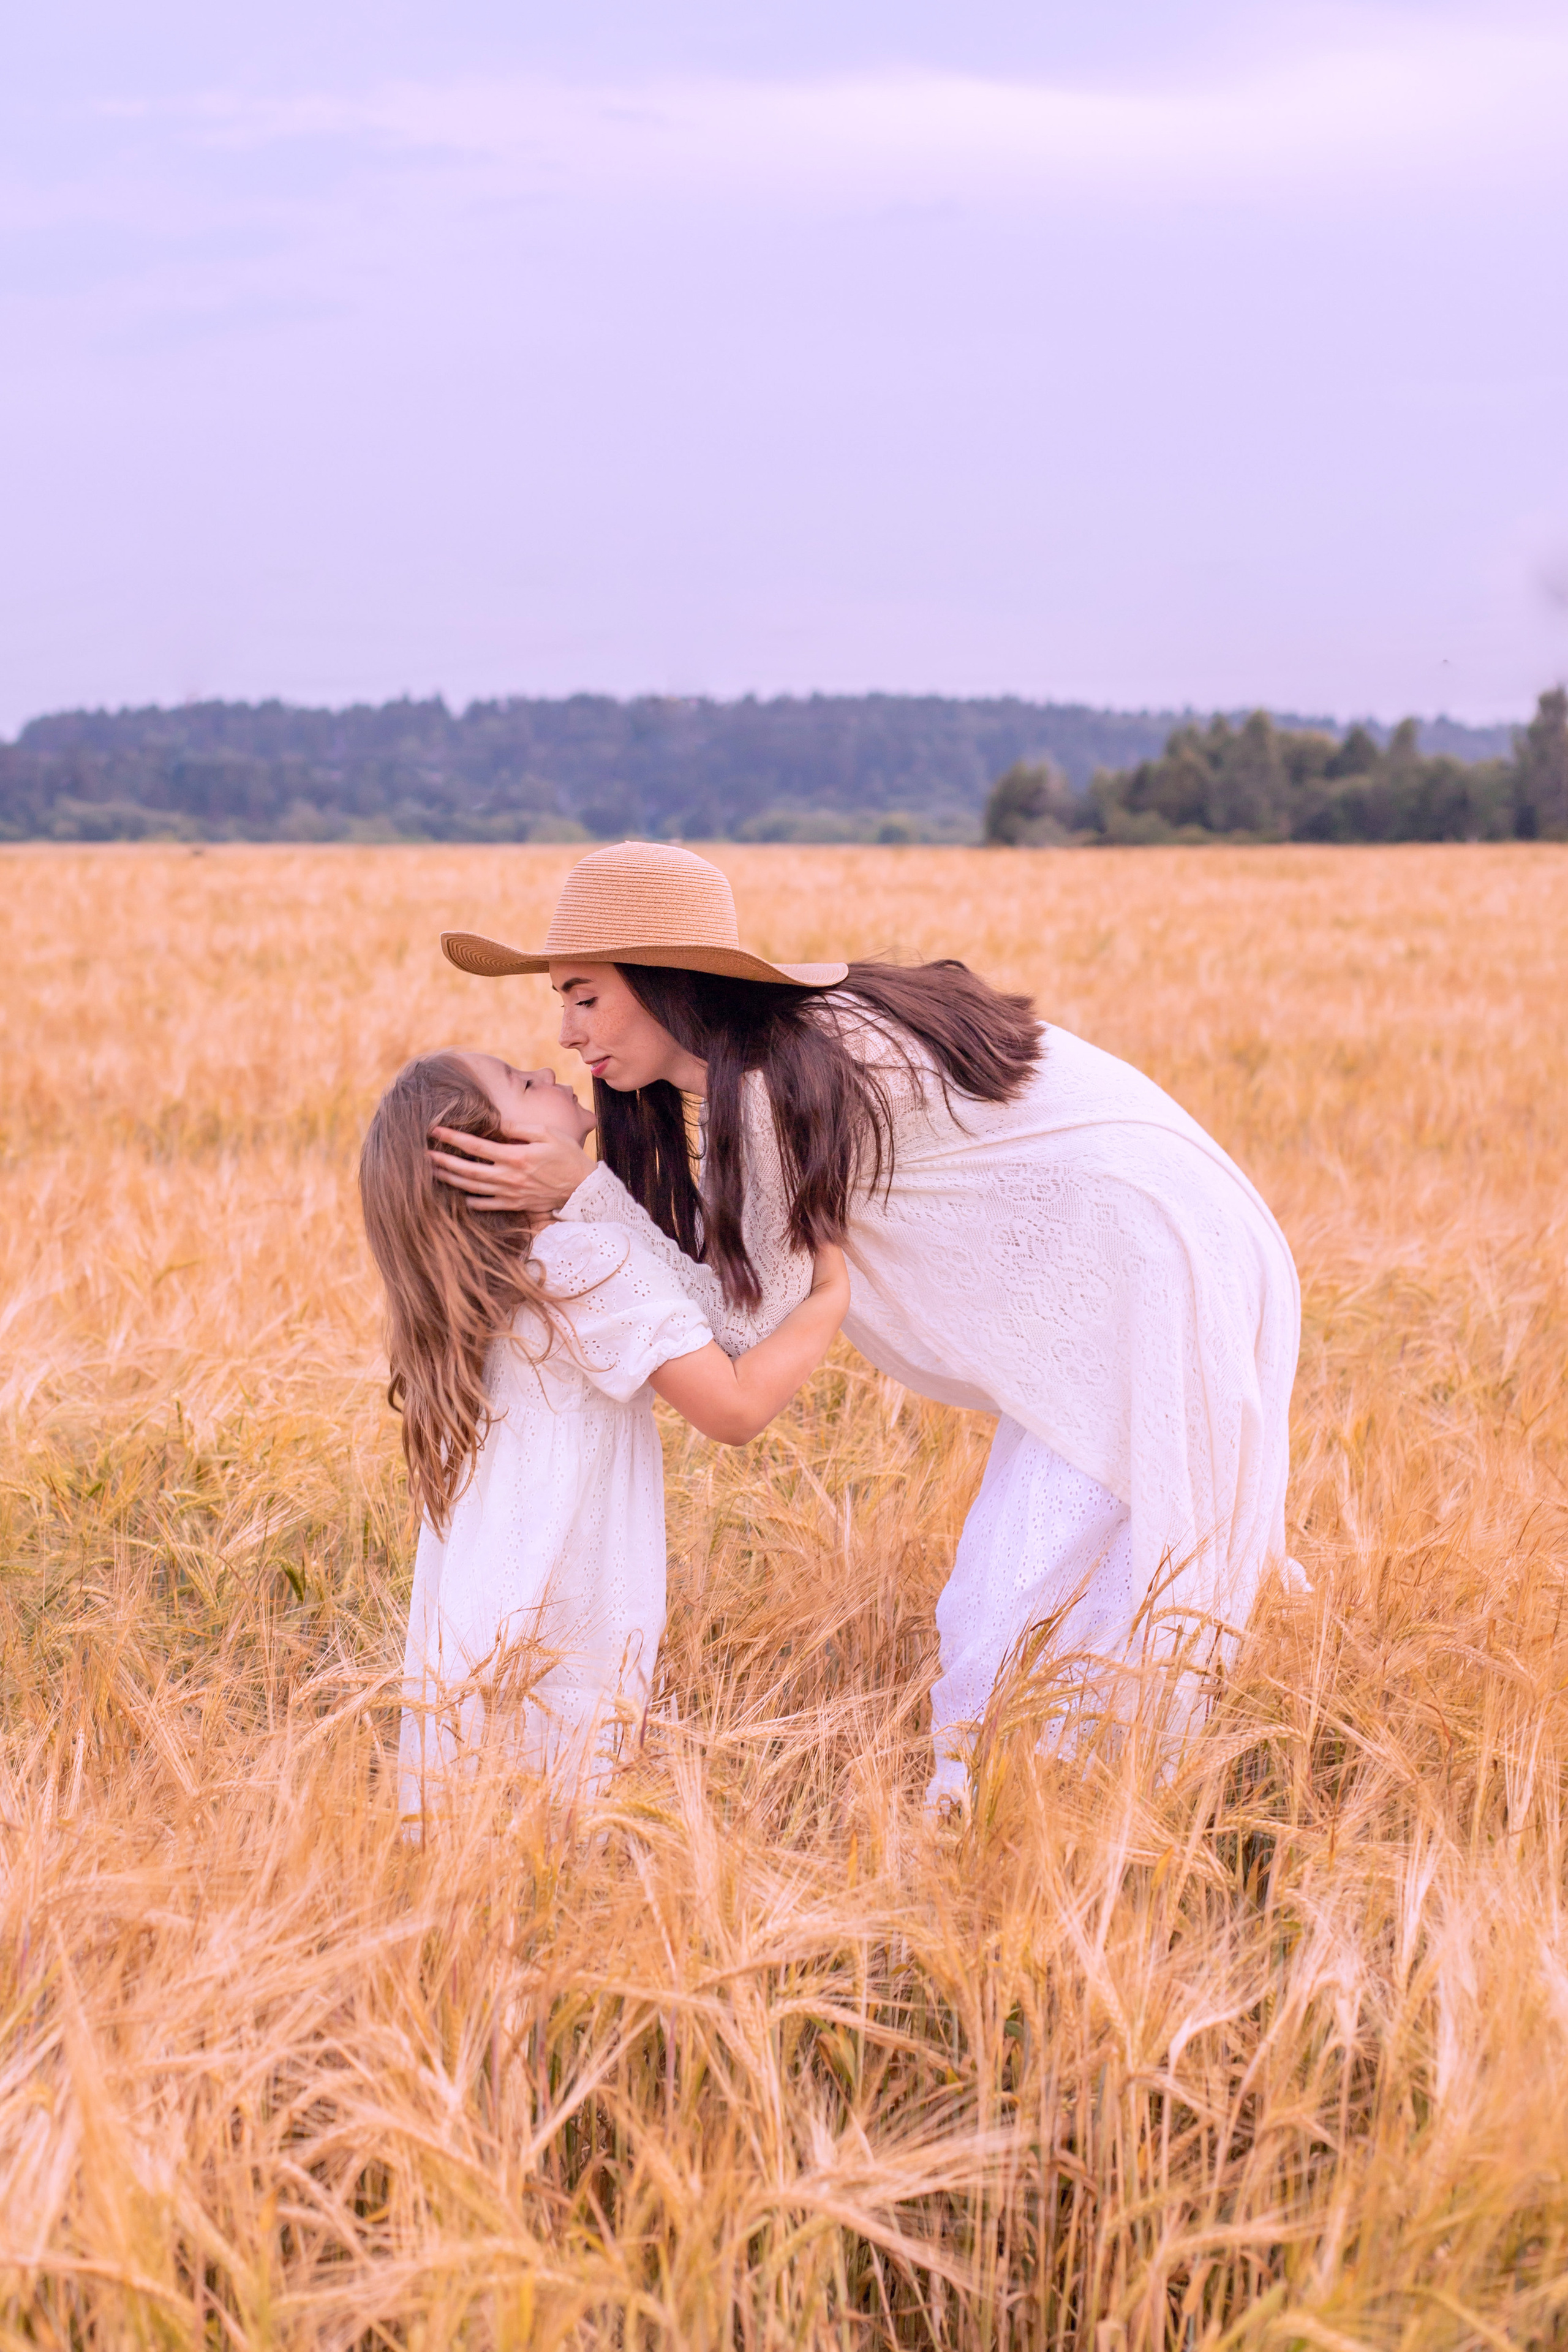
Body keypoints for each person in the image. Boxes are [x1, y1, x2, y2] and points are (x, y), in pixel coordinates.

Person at [431, 843, 1302, 1806]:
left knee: (1027, 1598)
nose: (566, 1033)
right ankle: (1051, 1823)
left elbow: (735, 1334)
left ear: (663, 977)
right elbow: (740, 1306)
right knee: (1053, 1588)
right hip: (1166, 1242)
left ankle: (1041, 1829)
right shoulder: (779, 1056)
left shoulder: (774, 1083)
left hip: (1150, 1264)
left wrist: (588, 1199)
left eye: (585, 996)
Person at [359, 1046, 848, 1820]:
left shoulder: (484, 1291)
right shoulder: (583, 1261)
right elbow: (733, 1408)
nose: (546, 1070)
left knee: (481, 1840)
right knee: (567, 1821)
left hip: (479, 1622)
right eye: (521, 1083)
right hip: (566, 1612)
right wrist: (830, 1296)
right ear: (491, 1154)